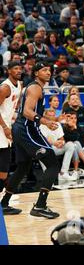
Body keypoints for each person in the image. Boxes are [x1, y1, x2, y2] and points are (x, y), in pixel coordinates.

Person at [1, 62, 61, 219]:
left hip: (20, 128)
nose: (48, 72)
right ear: (36, 73)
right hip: (26, 129)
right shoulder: (36, 88)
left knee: (23, 166)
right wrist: (45, 121)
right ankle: (40, 206)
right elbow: (27, 111)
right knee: (53, 164)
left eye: (50, 70)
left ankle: (4, 203)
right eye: (44, 70)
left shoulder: (32, 87)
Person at [0, 62, 23, 215]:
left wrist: (12, 123)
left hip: (6, 127)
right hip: (1, 128)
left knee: (4, 168)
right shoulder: (5, 87)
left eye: (20, 68)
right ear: (9, 71)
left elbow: (12, 108)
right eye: (15, 68)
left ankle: (2, 200)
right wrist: (6, 127)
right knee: (3, 166)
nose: (19, 71)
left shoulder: (19, 85)